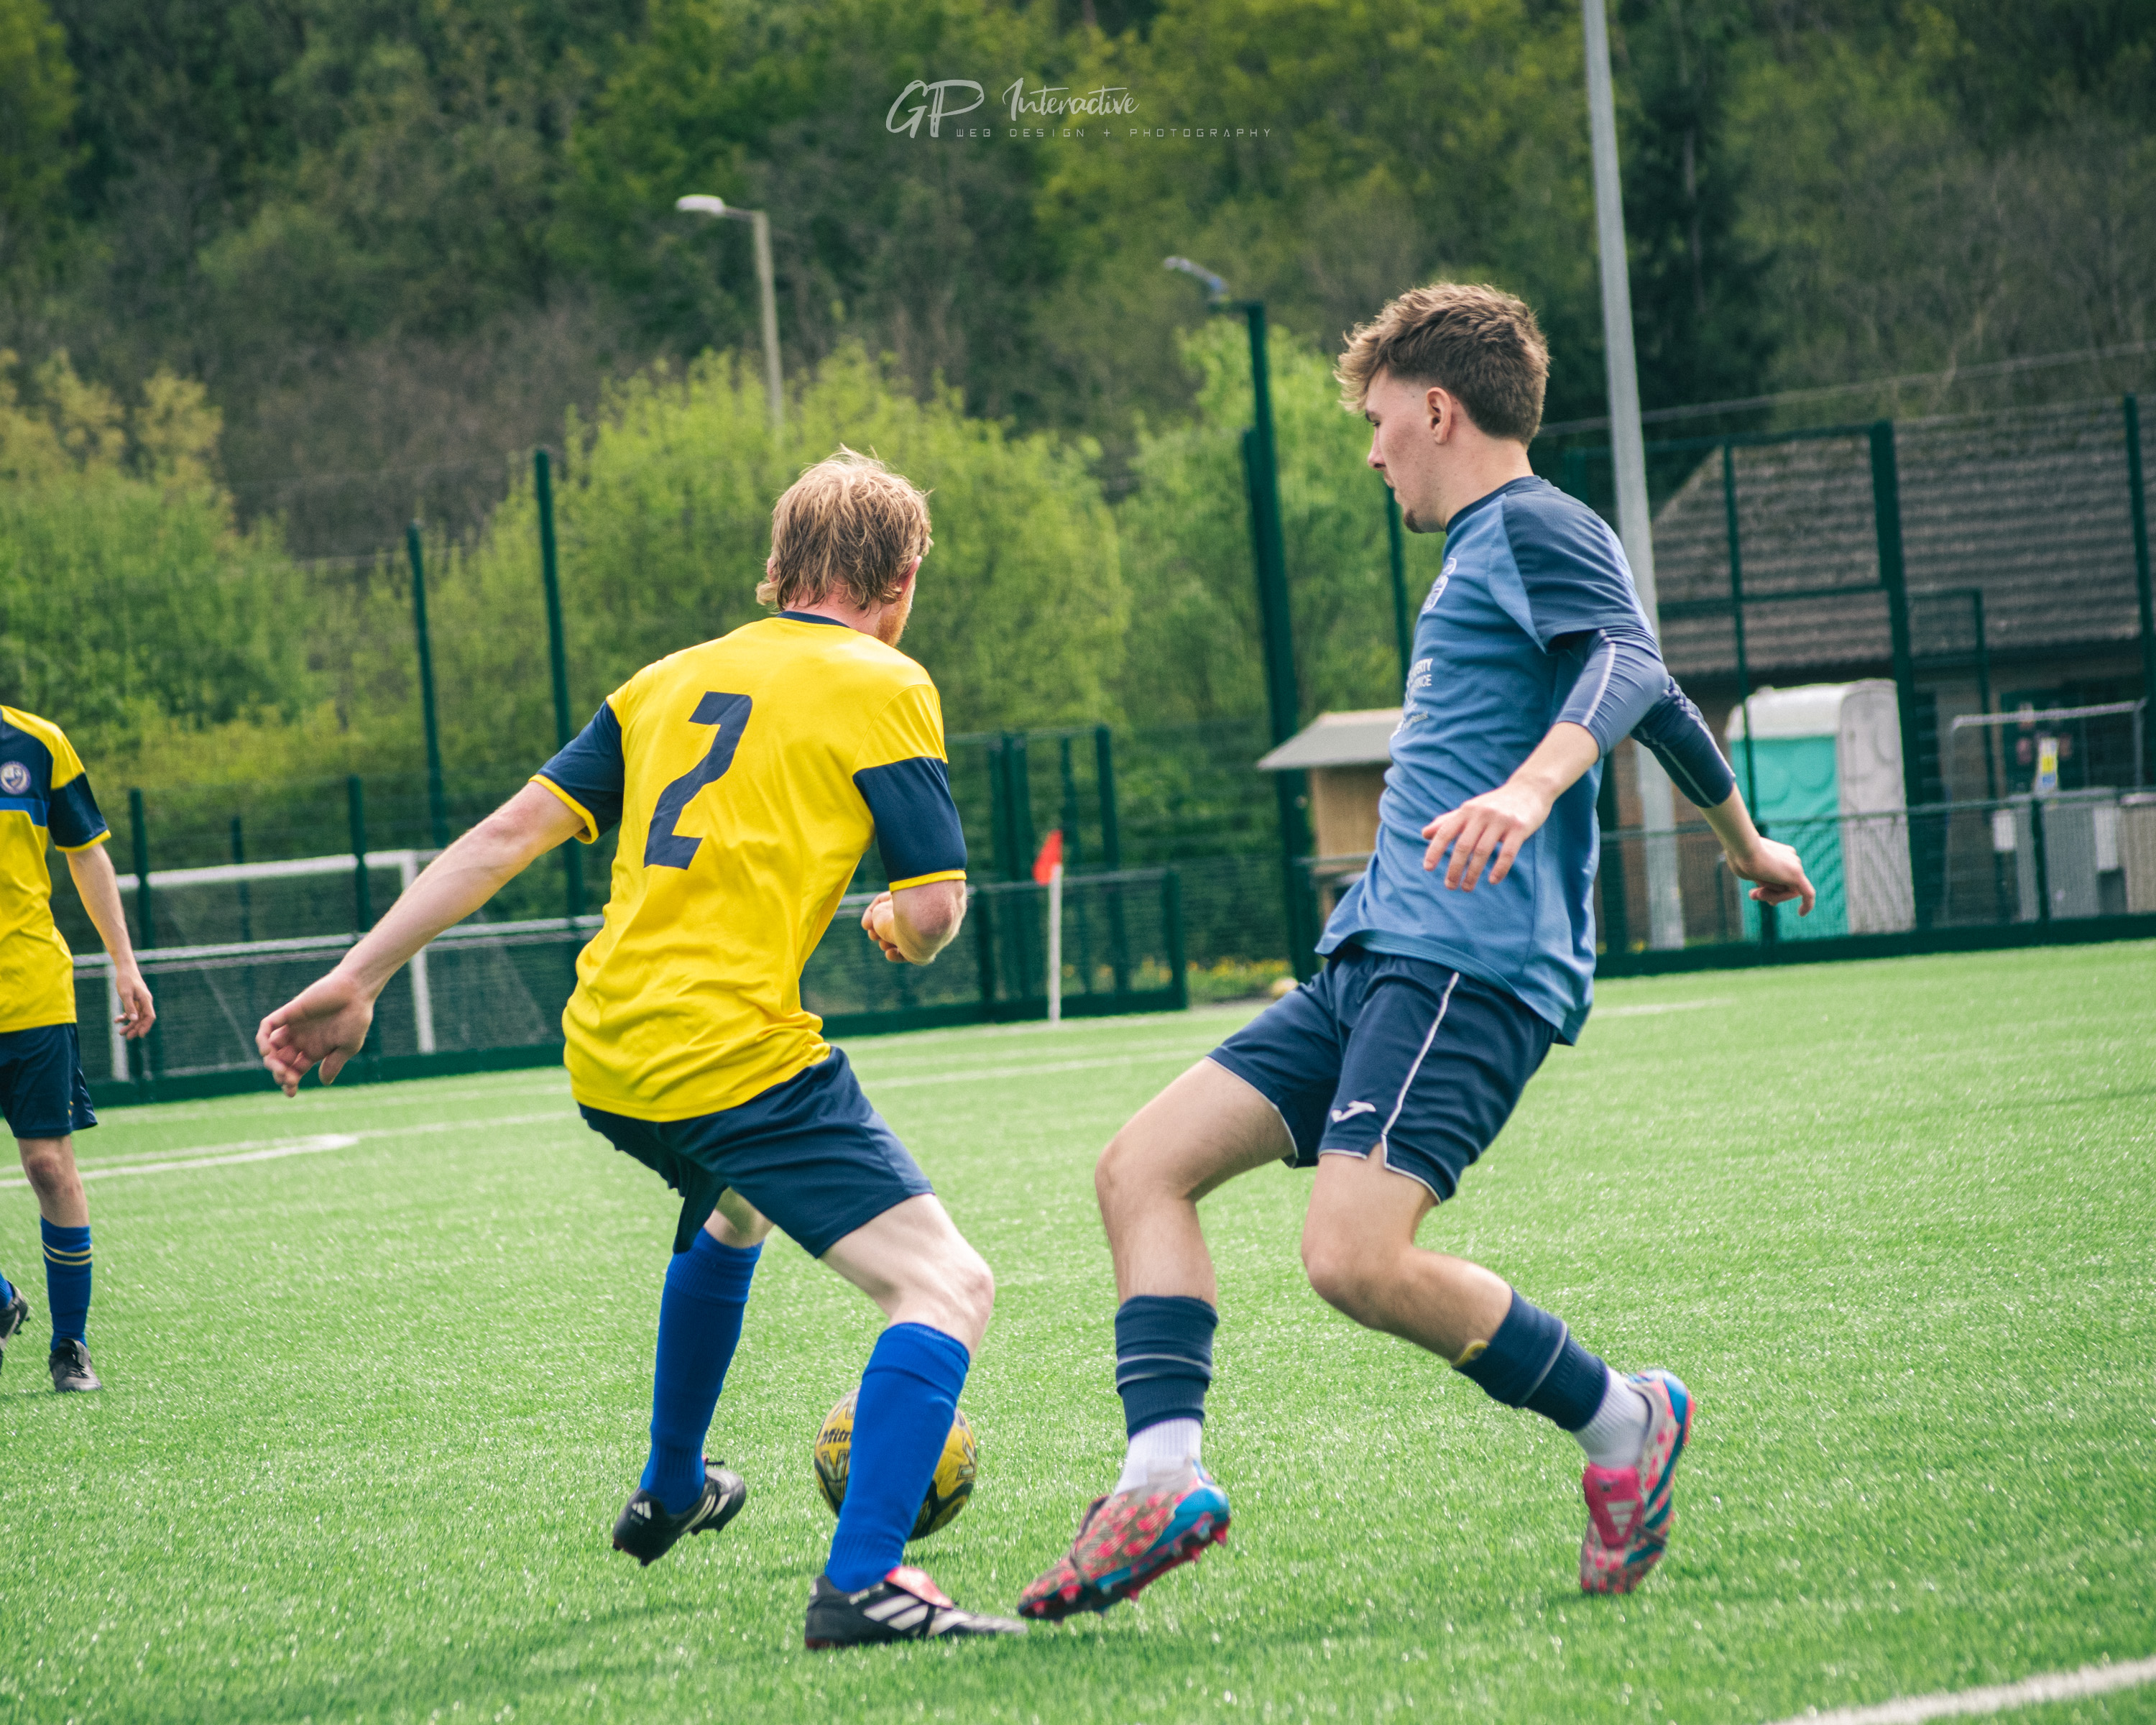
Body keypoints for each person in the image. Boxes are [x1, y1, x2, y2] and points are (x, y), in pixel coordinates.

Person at [1018, 283, 1815, 1621]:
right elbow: (1665, 696)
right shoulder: (1489, 551)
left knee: (1354, 1258)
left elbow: (1624, 662)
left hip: (1468, 965)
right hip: (1372, 959)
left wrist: (1535, 787)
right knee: (1141, 1167)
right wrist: (1741, 842)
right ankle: (1160, 1476)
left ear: (1438, 408)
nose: (1375, 449)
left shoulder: (1538, 522)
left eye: (1384, 422)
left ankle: (1623, 1423)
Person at [255, 451, 1024, 1649]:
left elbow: (512, 830)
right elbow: (931, 915)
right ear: (902, 579)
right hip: (729, 1053)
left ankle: (673, 1487)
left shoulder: (665, 682)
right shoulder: (883, 683)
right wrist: (884, 922)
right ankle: (864, 1585)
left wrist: (360, 977)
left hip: (610, 1047)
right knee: (947, 1286)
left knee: (734, 1203)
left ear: (776, 571)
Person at [0, 704, 157, 1392]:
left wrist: (124, 963)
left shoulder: (38, 744)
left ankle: (71, 1346)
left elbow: (87, 852)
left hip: (31, 991)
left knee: (49, 1169)